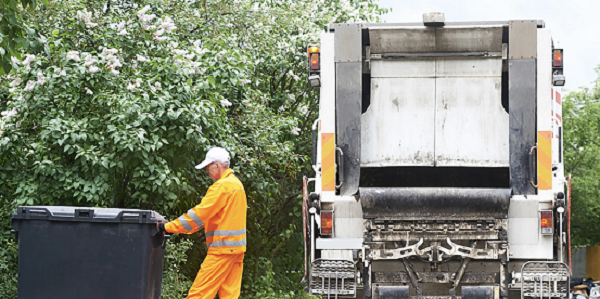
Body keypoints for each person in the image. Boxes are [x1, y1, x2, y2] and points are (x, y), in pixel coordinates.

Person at [158, 147, 247, 299]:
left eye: (208, 166)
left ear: (217, 166)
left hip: (222, 250)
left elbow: (198, 216)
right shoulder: (237, 185)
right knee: (229, 295)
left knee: (198, 295)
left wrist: (168, 227)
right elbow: (210, 218)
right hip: (236, 250)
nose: (207, 171)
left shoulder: (221, 187)